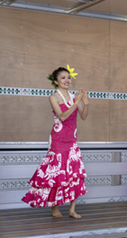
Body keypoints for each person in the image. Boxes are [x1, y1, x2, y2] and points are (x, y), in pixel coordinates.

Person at [22, 66, 89, 218]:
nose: (67, 80)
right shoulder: (53, 97)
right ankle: (55, 208)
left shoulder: (74, 96)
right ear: (56, 81)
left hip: (72, 139)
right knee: (56, 172)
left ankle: (72, 209)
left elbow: (83, 116)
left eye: (68, 77)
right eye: (63, 78)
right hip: (58, 139)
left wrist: (85, 103)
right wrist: (76, 102)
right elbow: (63, 116)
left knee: (74, 171)